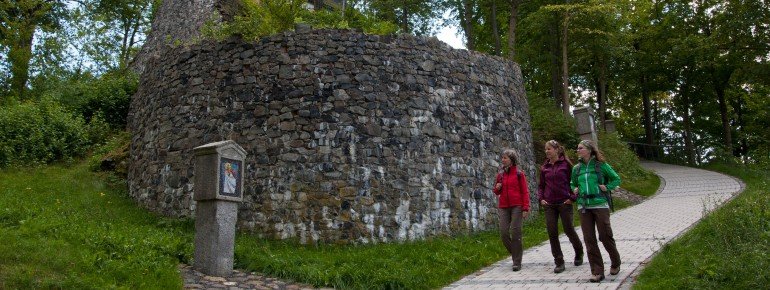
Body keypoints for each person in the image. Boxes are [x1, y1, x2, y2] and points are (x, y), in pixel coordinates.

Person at [571, 139, 621, 282]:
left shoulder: (601, 165)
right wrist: (574, 189)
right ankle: (597, 271)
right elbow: (572, 182)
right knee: (589, 239)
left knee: (605, 236)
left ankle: (616, 262)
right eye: (577, 148)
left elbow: (616, 179)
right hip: (584, 206)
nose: (578, 150)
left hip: (600, 204)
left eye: (580, 148)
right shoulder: (576, 168)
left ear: (589, 150)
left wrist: (608, 187)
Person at [538, 140, 584, 274]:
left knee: (569, 229)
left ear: (557, 150)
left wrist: (572, 198)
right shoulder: (544, 167)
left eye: (549, 149)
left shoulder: (566, 165)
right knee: (552, 232)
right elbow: (541, 186)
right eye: (545, 149)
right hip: (550, 204)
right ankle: (559, 261)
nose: (547, 151)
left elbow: (575, 183)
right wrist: (541, 199)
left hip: (565, 203)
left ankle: (579, 251)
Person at [493, 148, 530, 272]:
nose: (502, 160)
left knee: (515, 232)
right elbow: (497, 191)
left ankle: (516, 262)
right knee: (503, 233)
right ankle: (516, 254)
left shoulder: (519, 174)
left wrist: (526, 208)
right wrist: (497, 188)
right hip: (504, 206)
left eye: (505, 158)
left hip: (517, 206)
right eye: (502, 158)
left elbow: (524, 191)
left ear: (511, 160)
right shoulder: (500, 175)